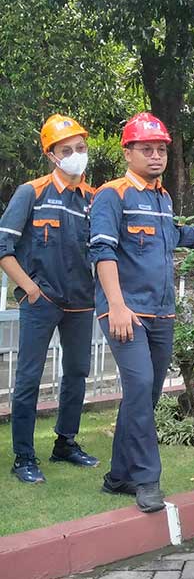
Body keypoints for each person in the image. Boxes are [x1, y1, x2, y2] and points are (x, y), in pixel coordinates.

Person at [89, 112, 194, 512]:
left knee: (143, 393)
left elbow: (178, 234)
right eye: (147, 148)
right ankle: (147, 479)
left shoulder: (162, 197)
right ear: (128, 152)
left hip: (162, 314)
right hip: (126, 313)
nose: (156, 155)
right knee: (142, 387)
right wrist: (117, 305)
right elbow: (102, 251)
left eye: (161, 149)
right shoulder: (113, 194)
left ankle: (118, 476)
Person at [0, 115, 98, 484]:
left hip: (81, 303)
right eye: (67, 149)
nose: (76, 155)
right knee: (27, 378)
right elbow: (3, 246)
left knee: (77, 373)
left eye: (81, 148)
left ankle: (66, 443)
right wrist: (30, 288)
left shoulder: (93, 199)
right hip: (42, 302)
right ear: (52, 156)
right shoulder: (32, 192)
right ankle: (23, 456)